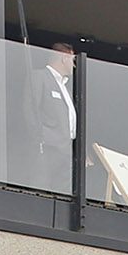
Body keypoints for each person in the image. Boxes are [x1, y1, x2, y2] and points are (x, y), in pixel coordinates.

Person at [27, 42, 78, 191]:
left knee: (63, 192)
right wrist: (39, 139)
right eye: (72, 60)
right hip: (47, 147)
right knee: (40, 188)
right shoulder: (39, 77)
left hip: (66, 149)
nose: (74, 65)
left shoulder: (65, 86)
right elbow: (30, 110)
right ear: (64, 58)